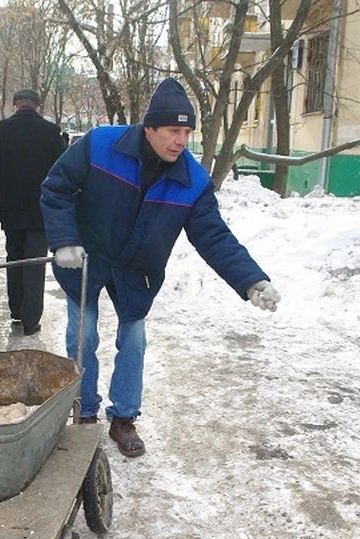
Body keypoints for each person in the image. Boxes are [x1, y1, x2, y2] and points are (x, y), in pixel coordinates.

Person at [40, 77, 280, 458]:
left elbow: (214, 237)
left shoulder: (192, 181)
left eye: (187, 132)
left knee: (133, 340)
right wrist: (65, 240)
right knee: (83, 335)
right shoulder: (101, 145)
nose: (181, 140)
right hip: (86, 256)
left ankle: (124, 418)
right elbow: (56, 187)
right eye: (173, 130)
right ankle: (84, 413)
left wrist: (252, 279)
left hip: (138, 268)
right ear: (149, 128)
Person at [0, 88, 66, 335]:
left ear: (15, 105)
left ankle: (17, 310)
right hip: (41, 212)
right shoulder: (51, 132)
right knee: (35, 263)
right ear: (38, 106)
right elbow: (61, 175)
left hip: (10, 211)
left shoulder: (0, 130)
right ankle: (31, 320)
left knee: (15, 259)